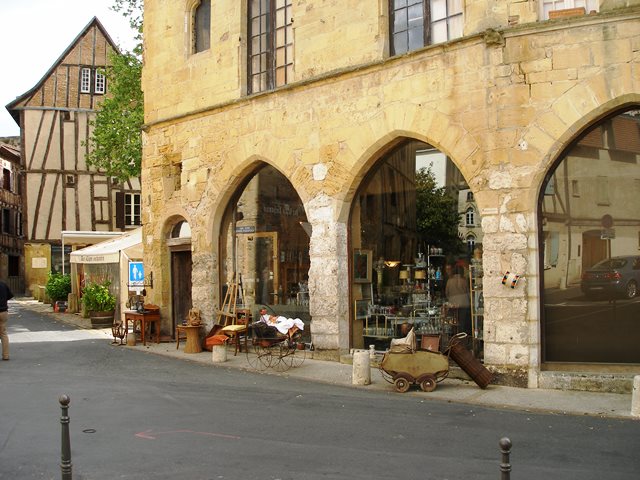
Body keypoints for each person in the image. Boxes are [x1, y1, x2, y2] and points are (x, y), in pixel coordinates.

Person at [445, 265, 470, 335]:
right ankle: (461, 335)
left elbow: (447, 293)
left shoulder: (449, 281)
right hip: (464, 303)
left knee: (453, 321)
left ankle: (454, 335)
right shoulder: (464, 281)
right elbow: (468, 292)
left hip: (453, 304)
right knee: (462, 321)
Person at [0, 279, 14, 361]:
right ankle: (6, 355)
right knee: (3, 333)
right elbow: (10, 296)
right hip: (3, 312)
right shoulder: (3, 285)